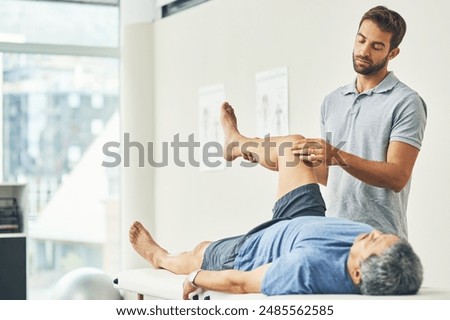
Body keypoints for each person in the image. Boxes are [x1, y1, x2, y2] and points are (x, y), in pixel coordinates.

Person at [129, 103, 423, 299]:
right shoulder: (366, 242)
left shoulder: (307, 267)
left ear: (357, 272)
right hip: (304, 218)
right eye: (382, 236)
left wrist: (196, 277)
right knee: (293, 146)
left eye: (373, 242)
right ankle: (237, 143)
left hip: (255, 249)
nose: (373, 233)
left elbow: (241, 284)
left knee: (201, 250)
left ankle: (160, 257)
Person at [291, 6, 427, 239]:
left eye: (376, 46)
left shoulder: (406, 101)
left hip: (380, 241)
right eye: (361, 40)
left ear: (392, 53)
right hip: (334, 236)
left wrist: (336, 155)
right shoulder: (331, 101)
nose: (364, 51)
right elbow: (330, 176)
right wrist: (289, 161)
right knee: (289, 147)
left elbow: (397, 177)